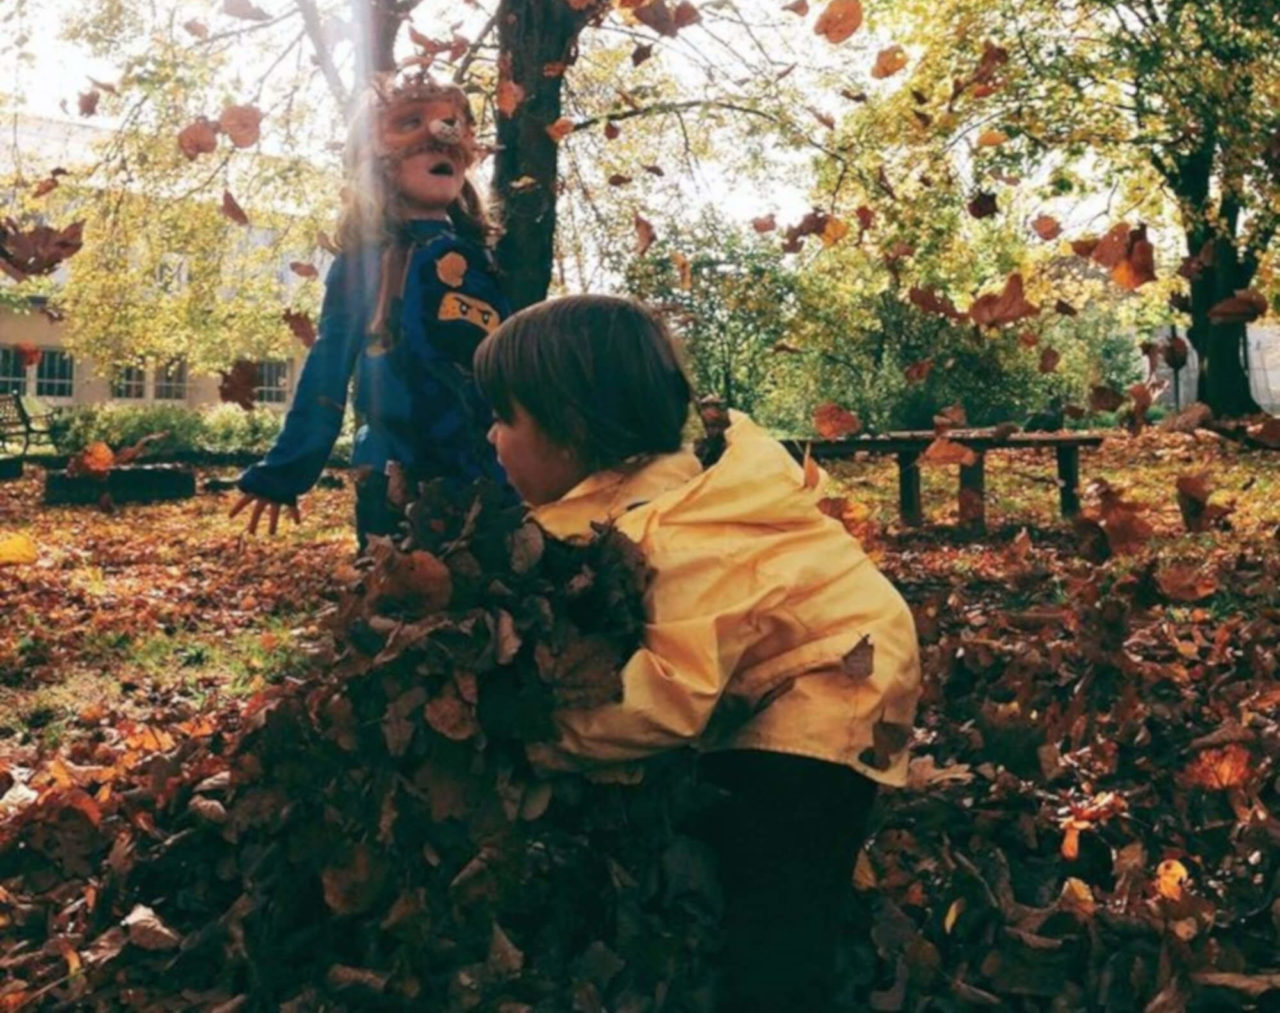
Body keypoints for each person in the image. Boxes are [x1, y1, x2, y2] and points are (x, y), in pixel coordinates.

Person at [473, 294, 921, 1013]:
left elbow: (670, 696)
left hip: (828, 689)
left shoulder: (669, 533)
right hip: (809, 667)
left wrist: (542, 738)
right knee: (742, 849)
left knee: (777, 915)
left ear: (566, 431)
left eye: (503, 417)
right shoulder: (660, 496)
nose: (491, 438)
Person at [231, 70, 510, 546]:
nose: (440, 138)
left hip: (488, 469)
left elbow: (514, 368)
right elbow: (329, 364)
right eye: (411, 123)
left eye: (452, 124)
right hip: (396, 467)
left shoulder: (484, 265)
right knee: (402, 593)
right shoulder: (366, 262)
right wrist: (287, 469)